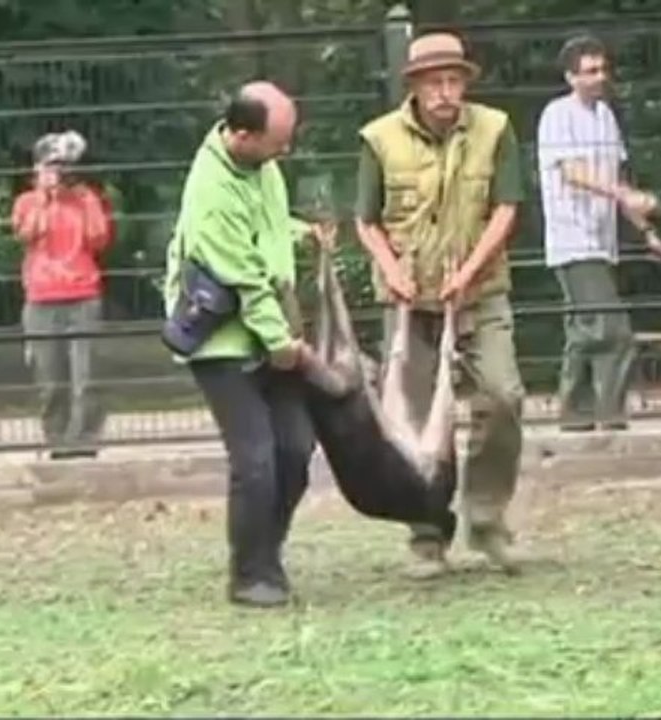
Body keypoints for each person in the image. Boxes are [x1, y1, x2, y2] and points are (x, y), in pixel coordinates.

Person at [354, 32, 526, 579]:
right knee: (416, 423)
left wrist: (470, 270)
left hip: (480, 291)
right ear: (415, 86)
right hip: (411, 302)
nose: (446, 92)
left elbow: (506, 207)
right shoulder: (378, 139)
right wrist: (392, 268)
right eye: (435, 82)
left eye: (455, 81)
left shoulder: (494, 129)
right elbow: (366, 219)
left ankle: (487, 520)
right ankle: (427, 532)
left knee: (503, 396)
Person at [162, 81, 335, 608]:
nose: (285, 150)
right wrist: (286, 346)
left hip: (269, 327)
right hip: (225, 341)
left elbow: (263, 225)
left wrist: (304, 232)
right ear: (241, 135)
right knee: (255, 458)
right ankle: (250, 573)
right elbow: (243, 279)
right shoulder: (211, 194)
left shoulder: (260, 166)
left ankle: (267, 549)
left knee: (295, 448)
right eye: (277, 141)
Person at [536, 34, 661, 433]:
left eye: (603, 69)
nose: (600, 77)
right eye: (590, 70)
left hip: (601, 239)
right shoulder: (557, 114)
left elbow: (615, 178)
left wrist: (646, 231)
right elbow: (574, 173)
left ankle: (574, 416)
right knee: (613, 330)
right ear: (570, 76)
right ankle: (609, 415)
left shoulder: (606, 116)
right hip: (572, 238)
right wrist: (628, 195)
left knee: (585, 329)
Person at [10, 131, 113, 459]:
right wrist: (46, 197)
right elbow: (27, 234)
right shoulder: (27, 202)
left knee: (86, 377)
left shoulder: (86, 198)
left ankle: (85, 441)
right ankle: (56, 441)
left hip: (82, 293)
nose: (61, 173)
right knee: (50, 380)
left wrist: (79, 199)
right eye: (53, 166)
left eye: (65, 167)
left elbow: (99, 239)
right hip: (42, 297)